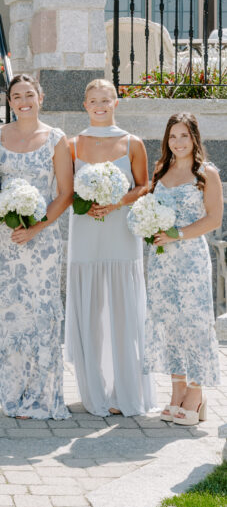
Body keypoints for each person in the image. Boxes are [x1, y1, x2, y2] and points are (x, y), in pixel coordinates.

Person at [65, 78, 155, 417]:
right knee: (91, 312)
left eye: (107, 99)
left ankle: (126, 390)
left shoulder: (132, 143)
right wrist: (86, 202)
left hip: (121, 232)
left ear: (116, 103)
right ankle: (93, 390)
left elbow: (144, 185)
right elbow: (65, 189)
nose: (100, 104)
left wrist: (116, 201)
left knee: (123, 310)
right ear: (85, 105)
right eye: (93, 99)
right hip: (86, 232)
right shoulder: (72, 145)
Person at [0, 73, 73, 420]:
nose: (23, 101)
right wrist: (2, 211)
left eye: (29, 94)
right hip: (6, 239)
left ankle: (42, 395)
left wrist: (36, 227)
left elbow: (65, 193)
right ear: (10, 103)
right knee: (10, 314)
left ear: (40, 97)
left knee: (40, 314)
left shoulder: (56, 138)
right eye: (16, 96)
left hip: (43, 240)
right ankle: (13, 393)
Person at [143, 112, 223, 425]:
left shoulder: (206, 173)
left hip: (190, 259)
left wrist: (178, 233)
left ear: (194, 139)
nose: (178, 142)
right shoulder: (160, 169)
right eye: (173, 136)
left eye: (184, 136)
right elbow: (151, 209)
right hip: (162, 260)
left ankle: (196, 394)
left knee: (192, 323)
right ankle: (177, 392)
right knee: (169, 324)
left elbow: (214, 219)